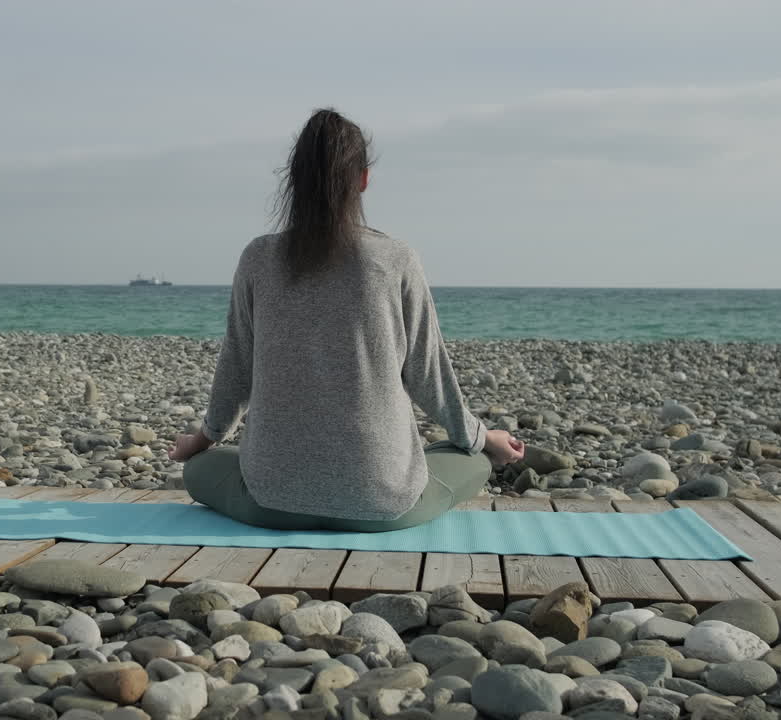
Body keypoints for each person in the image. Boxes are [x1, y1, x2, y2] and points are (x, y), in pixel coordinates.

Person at [168, 108, 524, 531]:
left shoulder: (258, 258)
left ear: (293, 180)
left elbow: (236, 371)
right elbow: (429, 377)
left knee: (199, 469)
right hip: (382, 507)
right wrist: (485, 440)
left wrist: (204, 440)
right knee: (474, 460)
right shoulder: (395, 259)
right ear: (363, 179)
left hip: (271, 504)